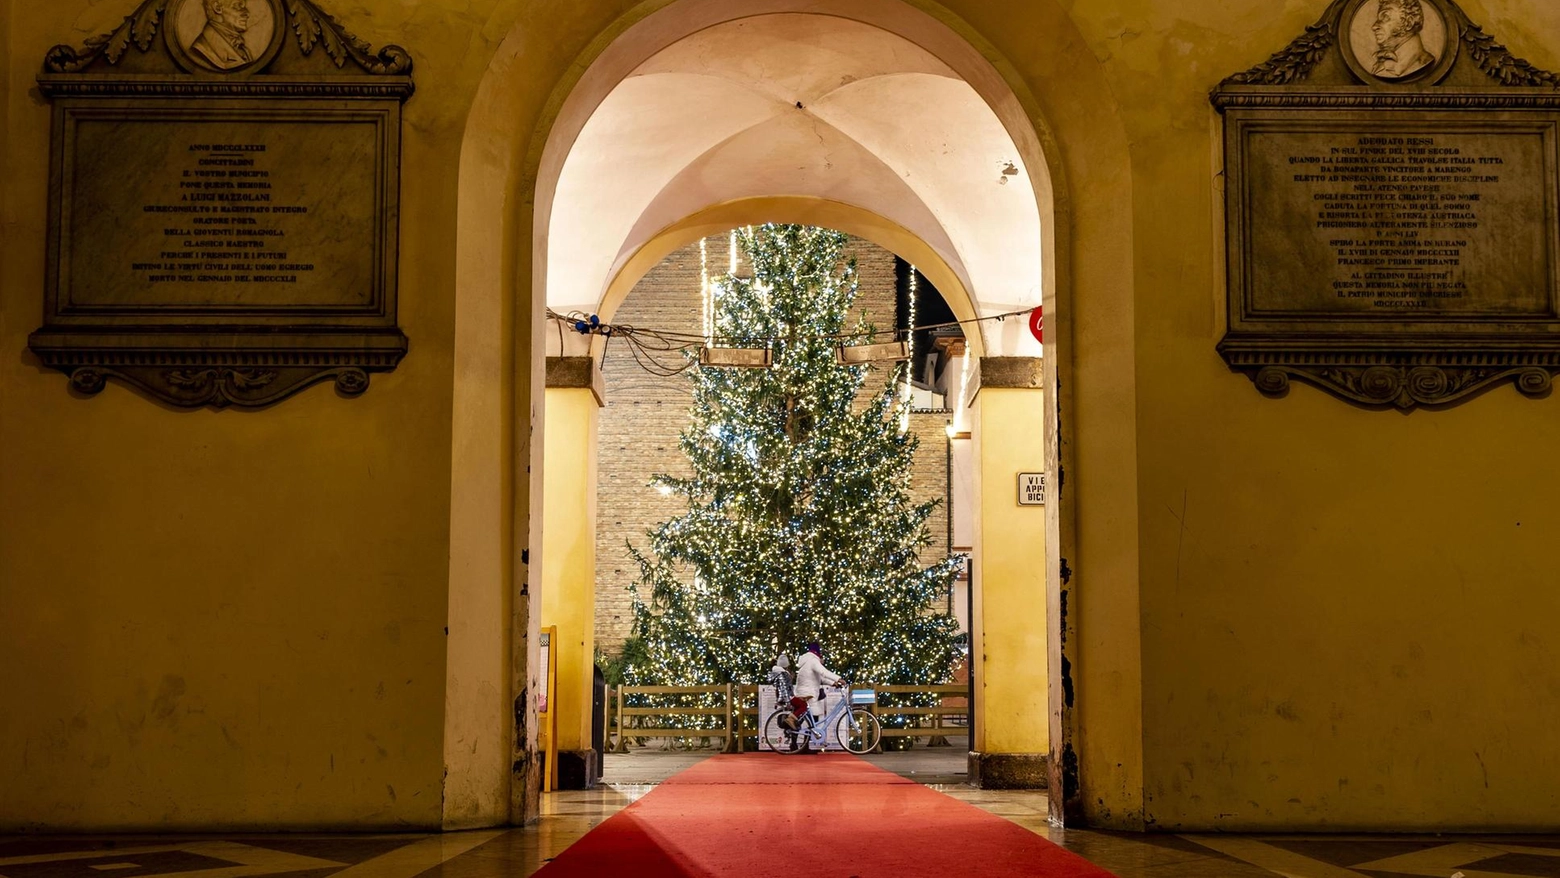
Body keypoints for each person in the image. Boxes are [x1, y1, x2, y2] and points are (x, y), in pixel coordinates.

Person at [794, 642, 847, 752]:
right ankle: (800, 746)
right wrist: (838, 678)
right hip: (808, 693)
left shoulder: (807, 661)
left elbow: (820, 678)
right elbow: (823, 672)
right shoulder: (813, 661)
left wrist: (834, 683)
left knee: (811, 718)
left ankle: (802, 746)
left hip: (806, 691)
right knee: (808, 719)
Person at [1369, 0, 1436, 79]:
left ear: (1408, 23)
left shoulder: (1423, 62)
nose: (1374, 26)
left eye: (1385, 17)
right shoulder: (1381, 61)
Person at [190, 0, 254, 71]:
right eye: (237, 6)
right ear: (217, 8)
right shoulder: (201, 49)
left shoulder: (244, 50)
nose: (247, 13)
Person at [767, 652, 806, 729]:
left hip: (783, 698)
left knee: (799, 704)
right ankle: (791, 719)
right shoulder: (784, 674)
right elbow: (786, 689)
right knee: (803, 705)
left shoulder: (776, 673)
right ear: (787, 665)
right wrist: (788, 702)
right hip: (788, 698)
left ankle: (793, 721)